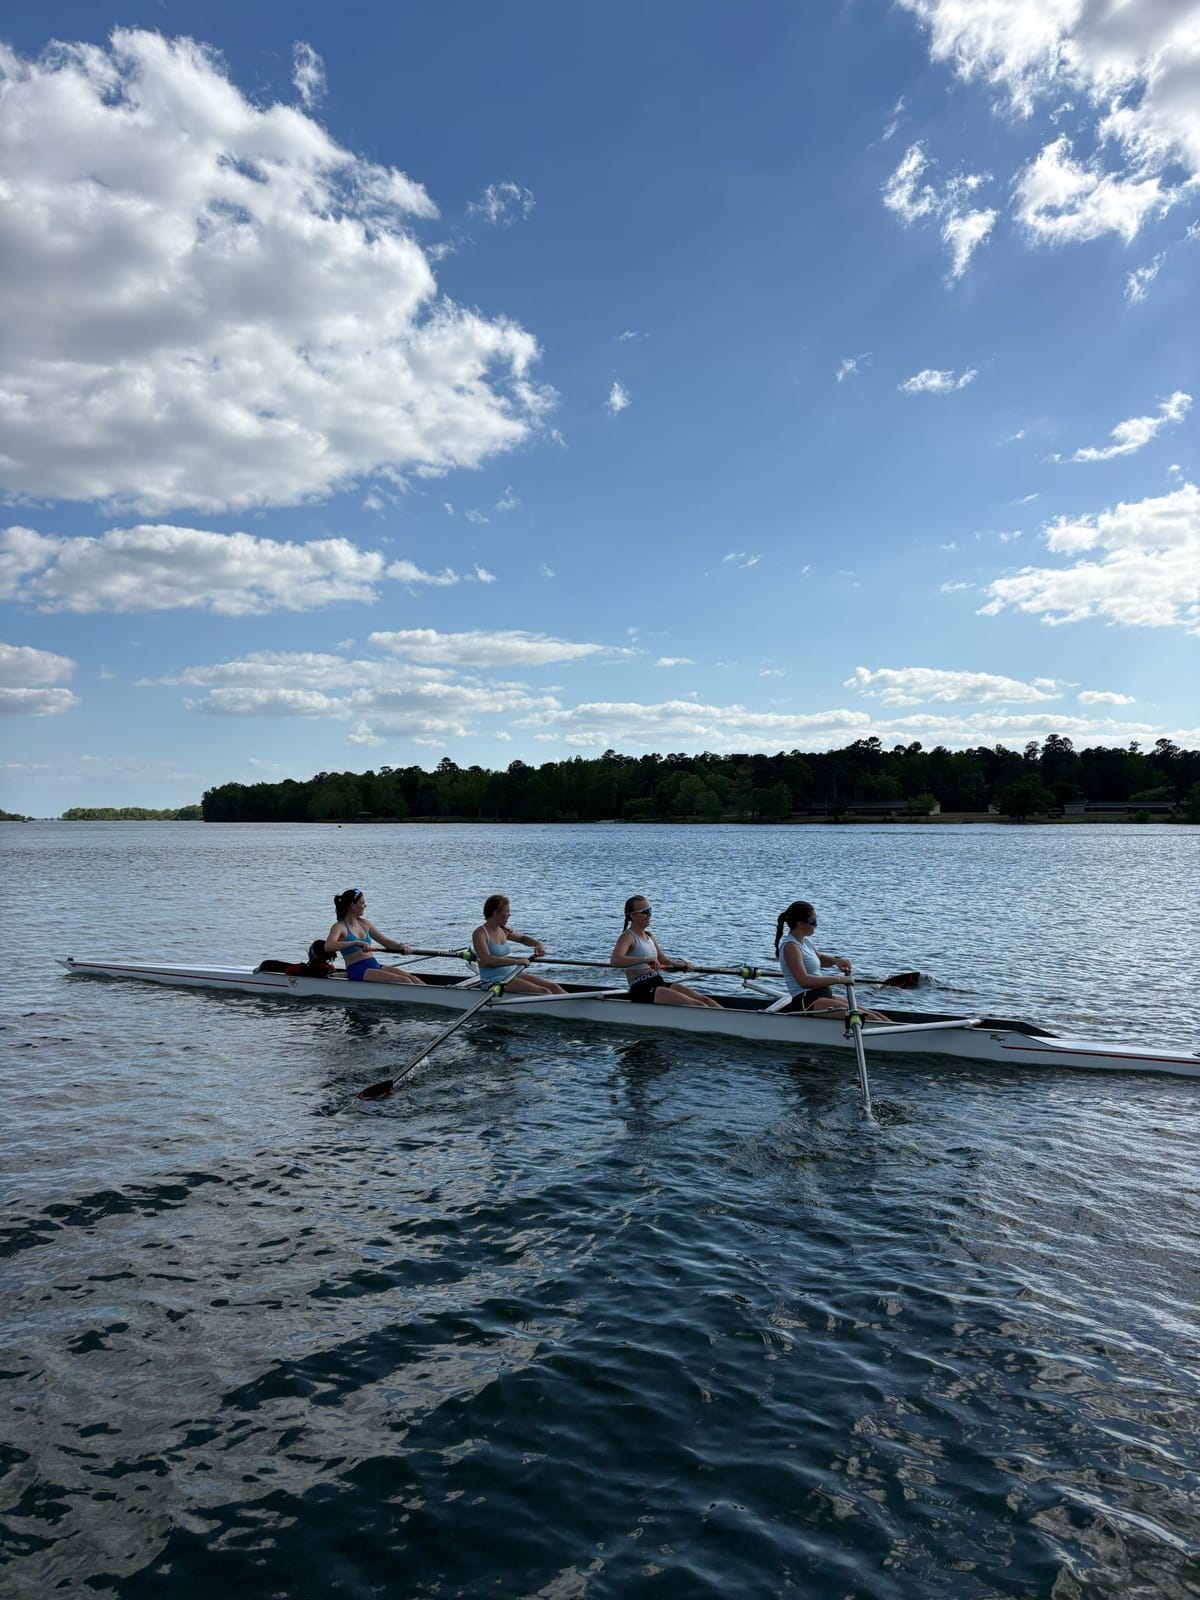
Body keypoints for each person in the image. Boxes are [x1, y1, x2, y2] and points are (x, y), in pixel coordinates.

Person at [774, 901, 888, 1021]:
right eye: (813, 922)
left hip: (821, 994)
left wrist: (836, 960)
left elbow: (821, 959)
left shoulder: (805, 942)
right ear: (801, 924)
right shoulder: (790, 946)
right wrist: (839, 980)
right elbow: (804, 981)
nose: (816, 926)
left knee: (877, 1015)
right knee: (870, 1018)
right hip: (807, 1000)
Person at [611, 896, 722, 1008]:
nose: (649, 915)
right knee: (699, 1005)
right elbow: (615, 960)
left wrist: (682, 966)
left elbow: (664, 961)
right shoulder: (627, 937)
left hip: (658, 982)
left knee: (706, 1000)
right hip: (641, 988)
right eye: (645, 912)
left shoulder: (650, 936)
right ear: (633, 915)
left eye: (650, 910)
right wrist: (645, 959)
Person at [325, 889, 426, 985]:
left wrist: (402, 947)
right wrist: (356, 943)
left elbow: (387, 942)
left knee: (414, 979)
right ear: (352, 905)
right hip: (357, 970)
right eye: (362, 903)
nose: (365, 905)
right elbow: (328, 946)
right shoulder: (339, 927)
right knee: (405, 981)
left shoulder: (365, 924)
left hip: (374, 965)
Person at [471, 896, 566, 996]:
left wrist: (538, 944)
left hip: (511, 974)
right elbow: (487, 961)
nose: (509, 914)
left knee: (553, 987)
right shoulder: (480, 934)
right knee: (544, 992)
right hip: (492, 980)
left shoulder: (503, 930)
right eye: (507, 911)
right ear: (495, 913)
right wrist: (517, 961)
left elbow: (522, 939)